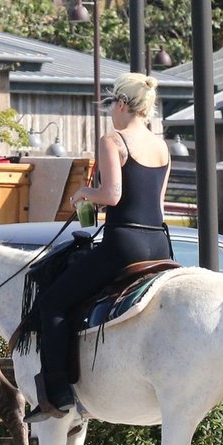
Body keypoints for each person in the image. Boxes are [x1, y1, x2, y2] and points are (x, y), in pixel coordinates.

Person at [26, 72, 172, 422]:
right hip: (159, 243)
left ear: (122, 104)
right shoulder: (161, 145)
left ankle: (58, 394)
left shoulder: (114, 140)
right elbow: (159, 204)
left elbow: (113, 195)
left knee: (53, 302)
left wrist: (83, 195)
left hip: (124, 244)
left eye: (111, 104)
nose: (110, 111)